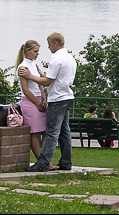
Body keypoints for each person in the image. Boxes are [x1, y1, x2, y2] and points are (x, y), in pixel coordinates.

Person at [21, 32, 77, 172]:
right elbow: (53, 78)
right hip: (67, 96)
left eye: (49, 44)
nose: (49, 47)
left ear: (55, 43)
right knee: (64, 131)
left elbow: (47, 82)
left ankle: (43, 163)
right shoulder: (69, 58)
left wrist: (30, 76)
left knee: (52, 132)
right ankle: (66, 161)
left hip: (57, 99)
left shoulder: (56, 59)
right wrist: (40, 74)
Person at [16, 40, 48, 164]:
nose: (37, 54)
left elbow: (39, 83)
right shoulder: (23, 67)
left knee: (45, 130)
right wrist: (37, 103)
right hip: (30, 102)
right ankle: (40, 160)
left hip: (39, 100)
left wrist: (43, 98)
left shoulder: (34, 66)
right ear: (27, 51)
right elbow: (26, 90)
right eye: (35, 51)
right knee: (34, 132)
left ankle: (45, 158)